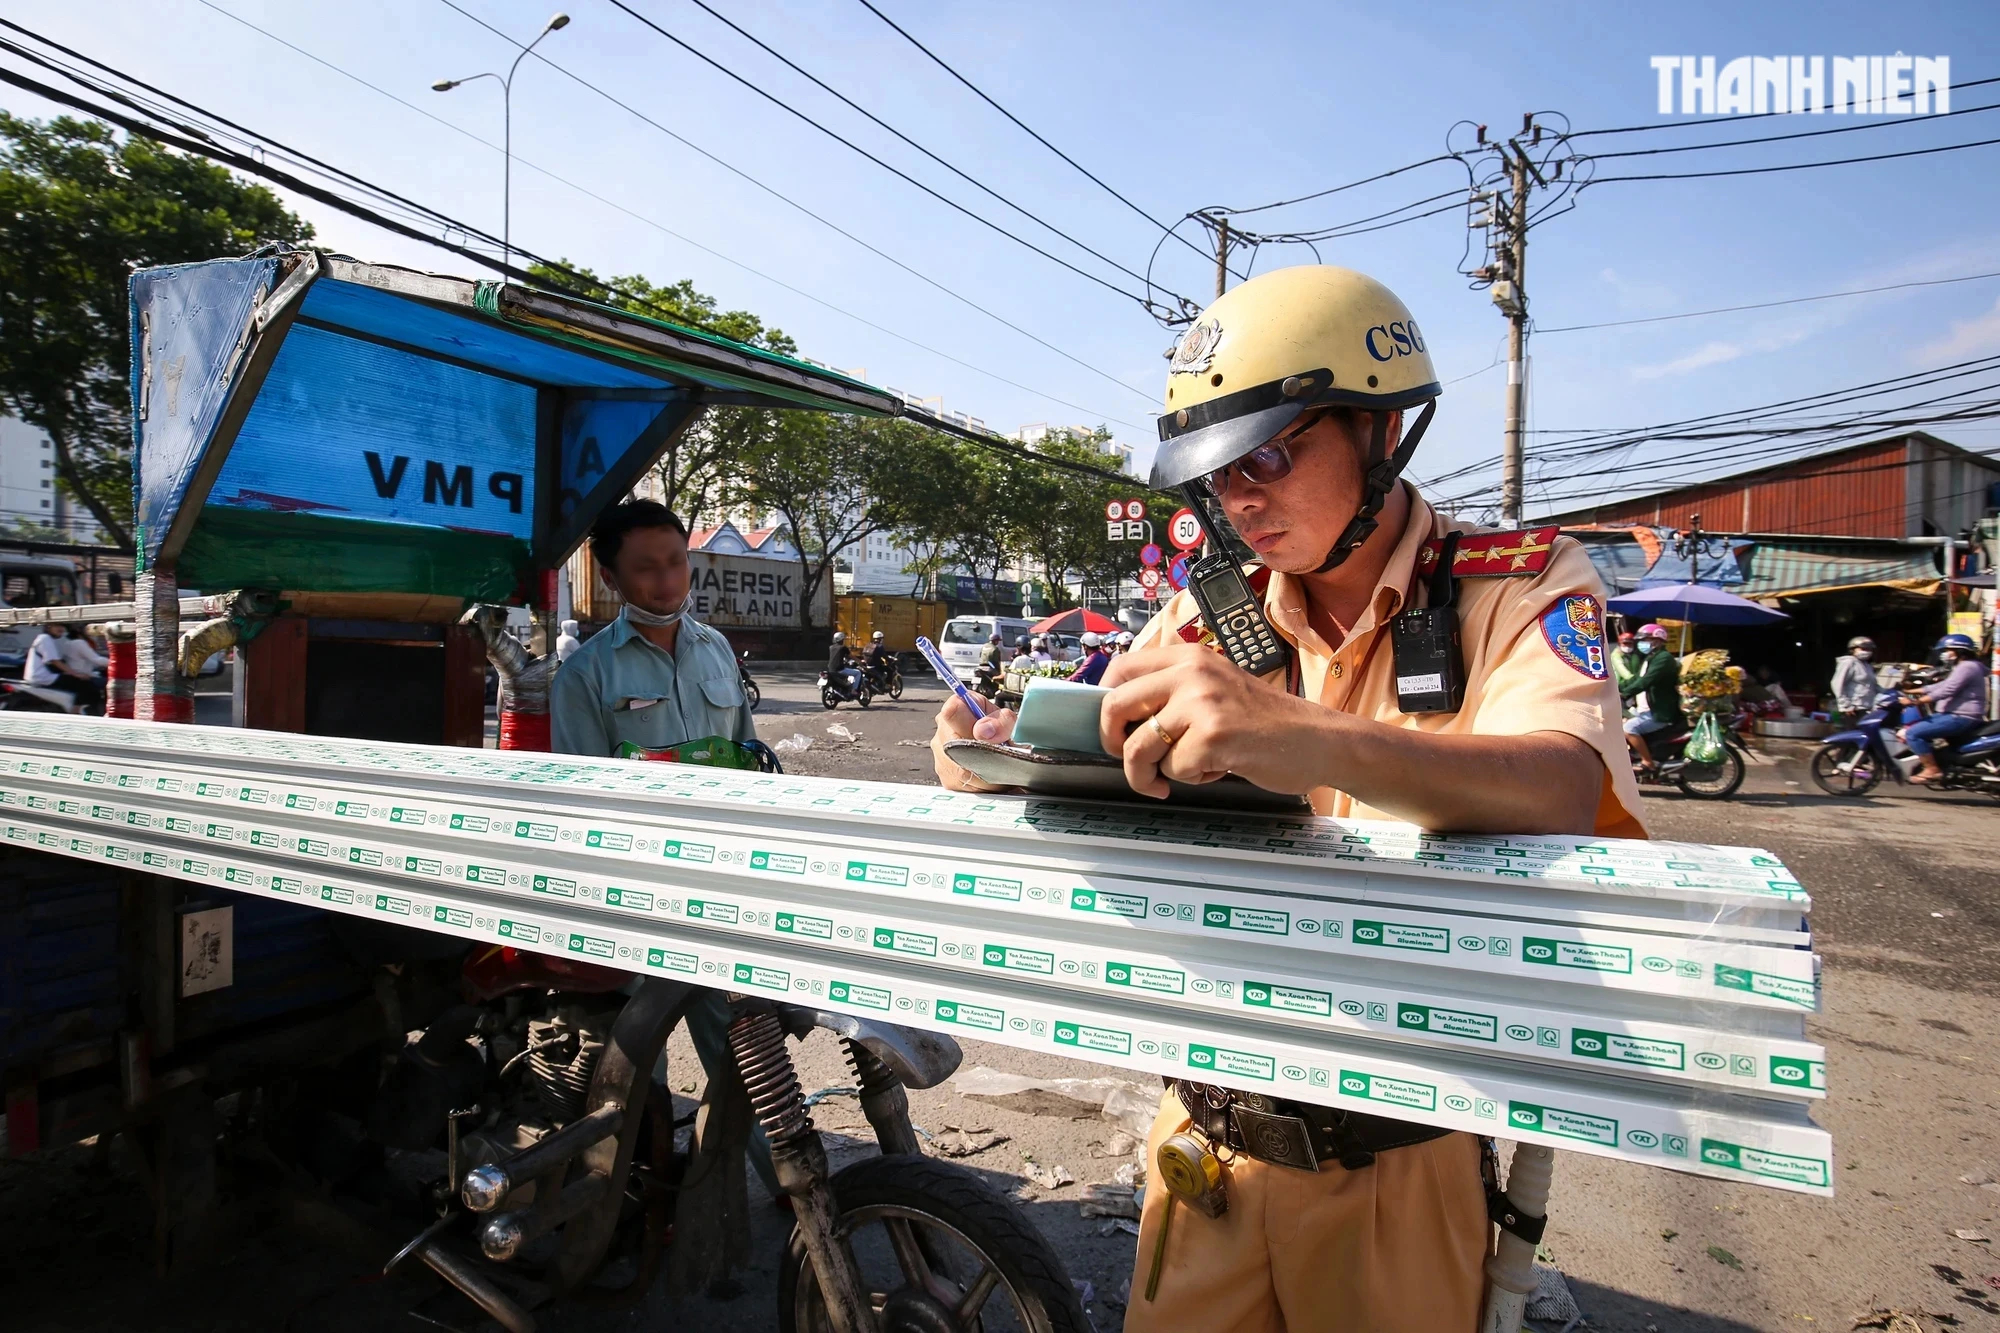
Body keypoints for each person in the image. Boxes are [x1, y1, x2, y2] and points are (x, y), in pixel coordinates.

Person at [929, 264, 1643, 1333]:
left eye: (1268, 452)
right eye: (1216, 474)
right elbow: (1090, 741)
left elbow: (1559, 783)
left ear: (1381, 426)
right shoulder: (1208, 613)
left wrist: (1302, 736)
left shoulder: (1519, 582)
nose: (1240, 497)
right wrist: (993, 751)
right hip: (1200, 1139)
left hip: (1396, 1158)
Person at [547, 501, 775, 1194]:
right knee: (634, 1059)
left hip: (722, 884)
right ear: (612, 577)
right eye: (645, 567)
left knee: (746, 1047)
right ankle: (631, 1198)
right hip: (637, 896)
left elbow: (742, 758)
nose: (667, 579)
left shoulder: (715, 651)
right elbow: (583, 804)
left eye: (675, 561)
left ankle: (786, 1195)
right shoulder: (584, 676)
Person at [1902, 633, 1988, 783]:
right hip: (1953, 714)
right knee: (1920, 726)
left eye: (1948, 650)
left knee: (1913, 733)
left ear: (1960, 651)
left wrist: (1917, 701)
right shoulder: (1965, 666)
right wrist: (1913, 692)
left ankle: (1931, 769)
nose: (1945, 654)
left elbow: (1947, 691)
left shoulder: (1967, 667)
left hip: (1960, 716)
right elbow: (1943, 685)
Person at [1619, 623, 1683, 773]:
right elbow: (1637, 678)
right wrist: (1614, 688)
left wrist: (1626, 694)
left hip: (1659, 711)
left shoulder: (1663, 658)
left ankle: (1648, 762)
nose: (1642, 643)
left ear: (1657, 640)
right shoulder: (1651, 658)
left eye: (1646, 639)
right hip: (1646, 708)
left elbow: (1647, 681)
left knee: (1628, 729)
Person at [24, 622, 103, 713]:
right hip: (43, 677)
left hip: (42, 676)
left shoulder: (46, 639)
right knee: (85, 685)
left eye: (63, 627)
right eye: (57, 626)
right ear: (48, 627)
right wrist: (76, 674)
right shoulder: (45, 638)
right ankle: (76, 711)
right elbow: (55, 661)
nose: (61, 629)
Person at [1830, 636, 1878, 722]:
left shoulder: (1866, 665)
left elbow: (1873, 685)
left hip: (1866, 707)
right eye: (1863, 648)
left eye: (1869, 649)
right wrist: (1846, 705)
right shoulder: (1848, 662)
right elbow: (1837, 684)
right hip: (1853, 708)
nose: (1867, 651)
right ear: (1852, 649)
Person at [826, 630, 862, 698]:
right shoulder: (843, 647)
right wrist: (859, 661)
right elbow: (851, 656)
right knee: (858, 673)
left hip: (830, 669)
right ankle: (853, 690)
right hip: (839, 669)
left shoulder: (831, 647)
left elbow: (837, 656)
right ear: (842, 640)